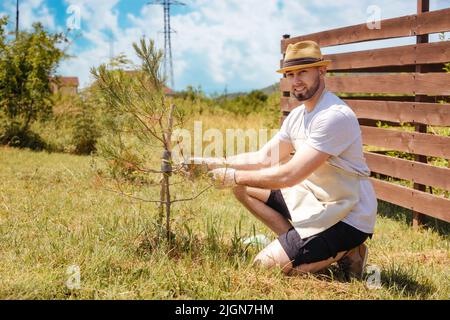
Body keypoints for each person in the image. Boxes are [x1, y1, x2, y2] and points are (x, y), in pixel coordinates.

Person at [184, 40, 377, 279]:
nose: (296, 81)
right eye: (291, 74)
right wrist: (212, 163)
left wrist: (232, 175)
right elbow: (264, 158)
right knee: (242, 188)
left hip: (347, 214)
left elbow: (289, 175)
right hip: (315, 200)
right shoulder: (297, 116)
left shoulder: (334, 116)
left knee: (264, 267)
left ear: (322, 70)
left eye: (303, 72)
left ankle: (349, 249)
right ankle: (301, 242)